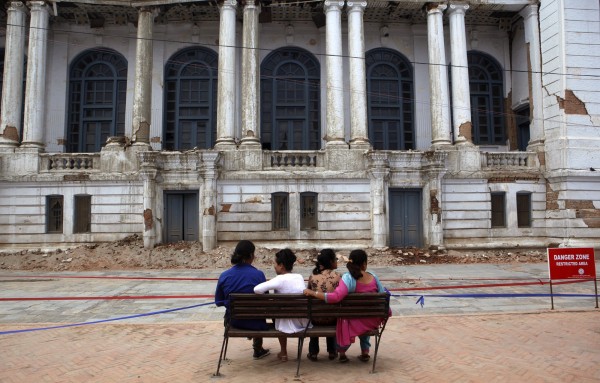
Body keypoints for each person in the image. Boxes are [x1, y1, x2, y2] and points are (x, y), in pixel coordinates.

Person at [303, 249, 389, 363]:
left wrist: (314, 293)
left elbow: (336, 297)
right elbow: (383, 296)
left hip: (352, 320)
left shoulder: (348, 278)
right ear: (364, 263)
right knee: (364, 318)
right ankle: (365, 351)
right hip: (371, 320)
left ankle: (342, 352)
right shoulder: (373, 276)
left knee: (345, 319)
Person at [215, 240, 270, 360]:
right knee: (258, 311)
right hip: (256, 322)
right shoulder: (259, 275)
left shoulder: (225, 275)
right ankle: (258, 349)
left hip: (235, 321)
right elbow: (265, 299)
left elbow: (218, 302)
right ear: (251, 255)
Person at [254, 248, 311, 362]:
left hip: (284, 322)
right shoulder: (299, 277)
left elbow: (257, 289)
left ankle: (284, 352)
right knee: (282, 312)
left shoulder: (279, 279)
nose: (274, 266)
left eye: (275, 263)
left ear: (281, 266)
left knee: (279, 314)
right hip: (302, 320)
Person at [305, 249, 341, 361]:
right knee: (330, 311)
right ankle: (332, 351)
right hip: (332, 318)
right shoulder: (338, 276)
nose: (337, 261)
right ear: (330, 261)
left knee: (316, 312)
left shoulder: (313, 277)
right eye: (336, 259)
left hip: (315, 318)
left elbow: (308, 293)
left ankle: (313, 352)